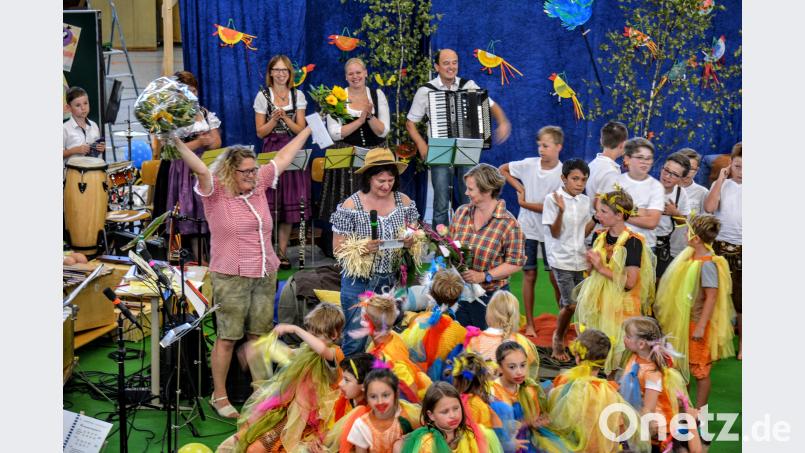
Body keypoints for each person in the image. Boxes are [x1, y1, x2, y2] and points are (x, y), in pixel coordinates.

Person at [173, 126, 312, 419]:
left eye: (253, 170)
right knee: (227, 338)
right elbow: (197, 165)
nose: (252, 175)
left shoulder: (260, 183)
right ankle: (219, 396)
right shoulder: (215, 192)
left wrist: (309, 128)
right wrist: (174, 141)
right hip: (231, 275)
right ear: (230, 172)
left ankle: (259, 393)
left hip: (265, 272)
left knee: (258, 336)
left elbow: (285, 156)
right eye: (245, 171)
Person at [405, 48, 512, 228]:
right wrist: (422, 146)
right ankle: (441, 248)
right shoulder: (426, 90)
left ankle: (466, 242)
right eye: (446, 63)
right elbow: (410, 123)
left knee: (468, 197)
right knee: (440, 202)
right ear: (437, 66)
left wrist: (502, 122)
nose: (451, 67)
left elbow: (490, 104)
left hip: (466, 148)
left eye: (454, 62)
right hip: (440, 150)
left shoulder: (468, 85)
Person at [222, 302, 345, 452]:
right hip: (287, 409)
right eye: (310, 332)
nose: (310, 338)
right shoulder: (308, 350)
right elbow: (287, 354)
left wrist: (294, 329)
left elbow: (322, 350)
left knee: (259, 448)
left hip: (307, 419)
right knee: (252, 440)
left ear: (334, 335)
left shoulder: (334, 353)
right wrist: (259, 348)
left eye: (316, 334)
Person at [330, 147, 419, 355]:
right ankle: (352, 381)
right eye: (381, 181)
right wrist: (362, 247)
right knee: (355, 338)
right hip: (359, 281)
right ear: (369, 178)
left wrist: (411, 240)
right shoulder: (351, 205)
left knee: (389, 334)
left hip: (393, 280)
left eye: (390, 180)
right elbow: (337, 248)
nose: (386, 185)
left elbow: (416, 232)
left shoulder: (404, 202)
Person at [653, 214, 736, 408]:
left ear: (696, 238)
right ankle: (684, 407)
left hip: (696, 323)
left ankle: (699, 411)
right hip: (683, 322)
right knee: (682, 366)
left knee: (700, 369)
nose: (685, 235)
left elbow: (711, 297)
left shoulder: (707, 264)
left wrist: (700, 326)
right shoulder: (689, 259)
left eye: (688, 231)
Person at [574, 187, 655, 375]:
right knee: (596, 347)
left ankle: (611, 387)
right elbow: (591, 272)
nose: (598, 215)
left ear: (619, 215)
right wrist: (591, 265)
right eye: (598, 210)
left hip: (621, 307)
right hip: (599, 302)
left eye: (603, 211)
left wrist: (602, 267)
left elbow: (630, 282)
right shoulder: (599, 236)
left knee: (616, 351)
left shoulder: (633, 242)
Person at [320, 58, 391, 252]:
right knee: (347, 200)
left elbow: (383, 131)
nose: (355, 77)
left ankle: (374, 242)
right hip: (347, 155)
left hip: (375, 156)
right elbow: (335, 132)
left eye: (358, 72)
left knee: (374, 199)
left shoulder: (377, 95)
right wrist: (360, 120)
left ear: (366, 73)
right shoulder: (337, 97)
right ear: (345, 77)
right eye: (351, 74)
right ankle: (346, 247)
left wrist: (369, 116)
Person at [499, 126, 564, 337]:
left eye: (545, 146)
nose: (541, 149)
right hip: (526, 229)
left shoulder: (562, 174)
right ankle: (530, 325)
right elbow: (503, 169)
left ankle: (561, 324)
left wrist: (525, 203)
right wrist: (519, 188)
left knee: (555, 277)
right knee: (529, 274)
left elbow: (550, 208)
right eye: (539, 145)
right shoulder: (529, 164)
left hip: (550, 230)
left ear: (558, 147)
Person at [449, 164, 526, 329]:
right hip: (460, 295)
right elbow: (451, 245)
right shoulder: (461, 213)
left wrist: (484, 276)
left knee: (488, 347)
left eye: (471, 189)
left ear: (487, 190)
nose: (466, 193)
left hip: (491, 299)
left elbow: (516, 262)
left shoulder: (508, 223)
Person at [547, 329, 647, 453]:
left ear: (578, 357)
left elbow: (554, 407)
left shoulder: (565, 381)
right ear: (604, 361)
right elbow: (617, 422)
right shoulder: (609, 391)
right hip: (598, 446)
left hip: (570, 443)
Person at [254, 54, 309, 269]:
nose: (280, 74)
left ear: (289, 74)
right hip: (272, 151)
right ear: (270, 73)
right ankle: (267, 251)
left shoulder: (298, 95)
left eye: (284, 70)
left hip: (292, 150)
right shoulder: (262, 96)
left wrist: (285, 118)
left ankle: (282, 252)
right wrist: (273, 120)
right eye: (276, 70)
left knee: (288, 205)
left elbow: (301, 130)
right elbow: (260, 132)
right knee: (269, 205)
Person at [162, 71, 221, 263]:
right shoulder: (171, 116)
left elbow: (216, 142)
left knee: (203, 210)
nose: (191, 95)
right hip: (182, 169)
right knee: (186, 211)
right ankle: (183, 258)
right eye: (186, 91)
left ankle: (203, 257)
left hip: (203, 166)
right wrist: (198, 142)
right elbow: (170, 152)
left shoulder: (203, 113)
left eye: (193, 91)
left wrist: (208, 141)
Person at [542, 159, 595, 361]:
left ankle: (581, 341)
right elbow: (554, 233)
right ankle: (558, 338)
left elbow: (584, 232)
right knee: (570, 304)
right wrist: (561, 211)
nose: (580, 184)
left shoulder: (585, 201)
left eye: (583, 179)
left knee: (580, 304)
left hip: (580, 258)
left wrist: (596, 219)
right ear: (564, 178)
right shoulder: (552, 199)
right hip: (561, 258)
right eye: (575, 179)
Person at [620, 317, 689, 451]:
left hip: (656, 428)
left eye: (628, 336)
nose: (624, 338)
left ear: (641, 344)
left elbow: (649, 408)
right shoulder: (635, 357)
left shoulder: (652, 373)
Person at [489, 341, 567, 453]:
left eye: (523, 365)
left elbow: (535, 416)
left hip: (528, 439)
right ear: (500, 368)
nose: (519, 372)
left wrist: (537, 421)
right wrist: (527, 422)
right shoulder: (492, 392)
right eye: (512, 367)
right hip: (505, 444)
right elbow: (495, 431)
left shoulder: (529, 387)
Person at [703, 142, 742, 360]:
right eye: (737, 166)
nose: (742, 172)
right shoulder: (724, 185)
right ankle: (714, 342)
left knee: (741, 300)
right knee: (714, 294)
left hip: (744, 249)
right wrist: (720, 179)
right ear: (731, 165)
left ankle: (744, 343)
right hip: (721, 246)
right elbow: (709, 208)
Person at [358, 292, 433, 402]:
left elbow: (411, 390)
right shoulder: (392, 335)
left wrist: (417, 410)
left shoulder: (388, 359)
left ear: (366, 322)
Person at [398, 381, 503, 453]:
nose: (453, 415)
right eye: (445, 412)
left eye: (456, 408)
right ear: (431, 415)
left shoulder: (470, 435)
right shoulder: (427, 444)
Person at [400, 269, 468, 376]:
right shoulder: (461, 333)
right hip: (441, 387)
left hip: (414, 377)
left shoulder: (417, 321)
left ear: (431, 293)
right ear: (456, 300)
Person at [341, 367, 421, 453]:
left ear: (396, 394)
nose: (380, 402)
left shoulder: (406, 414)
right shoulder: (362, 426)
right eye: (373, 396)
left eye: (385, 395)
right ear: (366, 397)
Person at [465, 290, 540, 380]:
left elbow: (467, 373)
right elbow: (529, 370)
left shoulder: (475, 340)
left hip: (483, 392)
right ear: (515, 316)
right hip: (513, 391)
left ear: (489, 312)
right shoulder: (521, 341)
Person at [617, 137, 665, 250]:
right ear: (627, 159)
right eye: (640, 157)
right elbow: (606, 213)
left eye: (648, 158)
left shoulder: (656, 187)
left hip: (645, 245)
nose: (645, 162)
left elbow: (652, 222)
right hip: (617, 243)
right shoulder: (616, 181)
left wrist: (622, 214)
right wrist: (641, 212)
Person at [654, 152, 691, 278]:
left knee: (659, 280)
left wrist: (674, 213)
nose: (668, 176)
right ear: (661, 168)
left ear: (681, 179)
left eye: (674, 174)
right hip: (643, 241)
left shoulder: (681, 194)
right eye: (666, 171)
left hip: (663, 244)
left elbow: (684, 222)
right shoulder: (648, 187)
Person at [669, 148, 709, 258]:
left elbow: (705, 226)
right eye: (684, 168)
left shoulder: (702, 193)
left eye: (691, 169)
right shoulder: (666, 188)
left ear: (697, 170)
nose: (687, 172)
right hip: (665, 248)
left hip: (690, 251)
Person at [586, 121, 628, 207]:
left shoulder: (591, 165)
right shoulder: (611, 172)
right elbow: (610, 207)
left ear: (601, 141)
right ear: (622, 144)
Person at [63, 86, 105, 161]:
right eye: (78, 105)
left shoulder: (94, 125)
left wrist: (101, 148)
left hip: (93, 169)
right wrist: (74, 150)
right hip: (73, 171)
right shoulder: (64, 128)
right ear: (69, 108)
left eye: (85, 103)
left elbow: (97, 152)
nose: (83, 108)